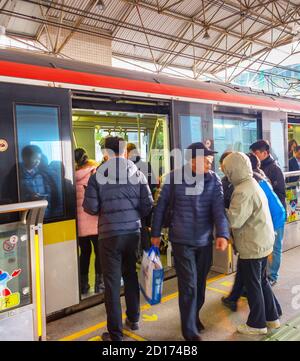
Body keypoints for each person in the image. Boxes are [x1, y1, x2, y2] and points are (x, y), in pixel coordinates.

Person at [151, 142, 229, 341]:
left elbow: (218, 210)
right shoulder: (174, 178)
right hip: (181, 240)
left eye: (211, 160)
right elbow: (160, 208)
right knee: (189, 285)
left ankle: (193, 317)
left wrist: (222, 234)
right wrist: (156, 233)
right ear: (193, 161)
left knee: (200, 284)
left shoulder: (213, 180)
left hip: (204, 241)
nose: (211, 164)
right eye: (207, 160)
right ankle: (189, 332)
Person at [83, 136, 153, 341]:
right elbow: (147, 204)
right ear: (125, 152)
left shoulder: (97, 176)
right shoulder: (137, 173)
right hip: (133, 233)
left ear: (106, 152)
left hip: (109, 234)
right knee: (130, 274)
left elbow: (91, 208)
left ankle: (115, 334)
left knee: (112, 283)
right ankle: (134, 319)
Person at [223, 152, 281, 335]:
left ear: (233, 170)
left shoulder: (242, 190)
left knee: (253, 284)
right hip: (262, 242)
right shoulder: (252, 183)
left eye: (227, 170)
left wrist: (219, 211)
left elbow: (235, 220)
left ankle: (257, 324)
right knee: (261, 281)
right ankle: (272, 319)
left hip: (251, 245)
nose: (226, 174)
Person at [250, 140, 286, 286]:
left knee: (276, 247)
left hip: (275, 215)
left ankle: (272, 276)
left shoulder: (274, 169)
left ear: (265, 153)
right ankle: (265, 275)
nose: (253, 156)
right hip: (264, 215)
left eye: (256, 153)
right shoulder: (256, 169)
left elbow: (280, 194)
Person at [75, 148, 103, 295]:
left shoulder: (71, 177)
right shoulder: (94, 173)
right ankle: (100, 284)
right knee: (99, 252)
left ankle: (83, 285)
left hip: (79, 223)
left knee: (84, 253)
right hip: (94, 221)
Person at [127, 143, 158, 253]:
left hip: (131, 206)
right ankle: (146, 253)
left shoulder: (127, 168)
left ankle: (137, 253)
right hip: (145, 203)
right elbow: (154, 184)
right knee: (144, 229)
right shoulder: (146, 165)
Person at [19, 145, 58, 218]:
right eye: (35, 158)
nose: (38, 161)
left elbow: (51, 195)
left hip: (45, 215)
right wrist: (29, 197)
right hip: (26, 216)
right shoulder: (17, 175)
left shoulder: (42, 175)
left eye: (39, 159)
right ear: (25, 158)